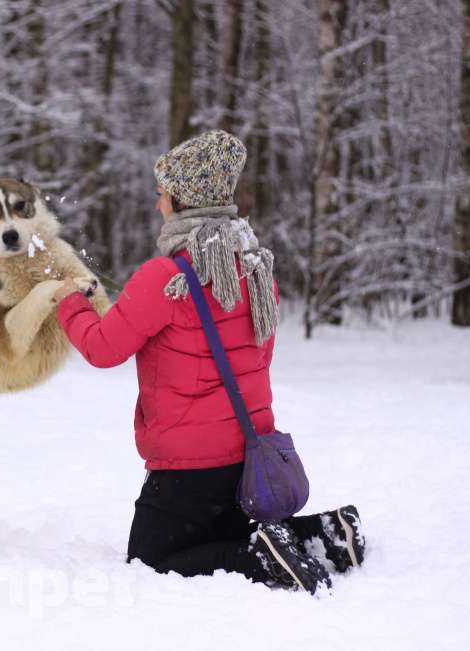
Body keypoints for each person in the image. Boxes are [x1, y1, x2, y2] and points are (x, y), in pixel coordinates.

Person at [51, 129, 365, 595]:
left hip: (186, 471)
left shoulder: (165, 278)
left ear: (181, 200)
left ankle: (261, 561)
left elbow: (102, 348)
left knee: (149, 560)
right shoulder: (257, 270)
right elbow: (258, 358)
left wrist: (69, 302)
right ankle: (327, 536)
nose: (158, 205)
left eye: (162, 195)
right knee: (219, 532)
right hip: (246, 461)